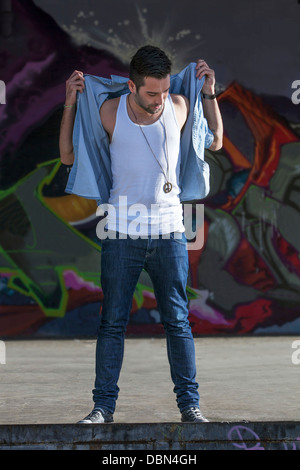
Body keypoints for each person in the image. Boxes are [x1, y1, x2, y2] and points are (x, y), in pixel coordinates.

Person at [59, 45, 223, 424]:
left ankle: (190, 407)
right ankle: (102, 408)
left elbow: (214, 140)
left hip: (169, 234)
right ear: (131, 87)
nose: (159, 99)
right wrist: (70, 102)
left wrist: (210, 93)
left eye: (164, 90)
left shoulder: (179, 106)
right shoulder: (110, 112)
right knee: (113, 322)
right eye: (151, 93)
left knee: (178, 322)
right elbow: (67, 156)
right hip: (121, 234)